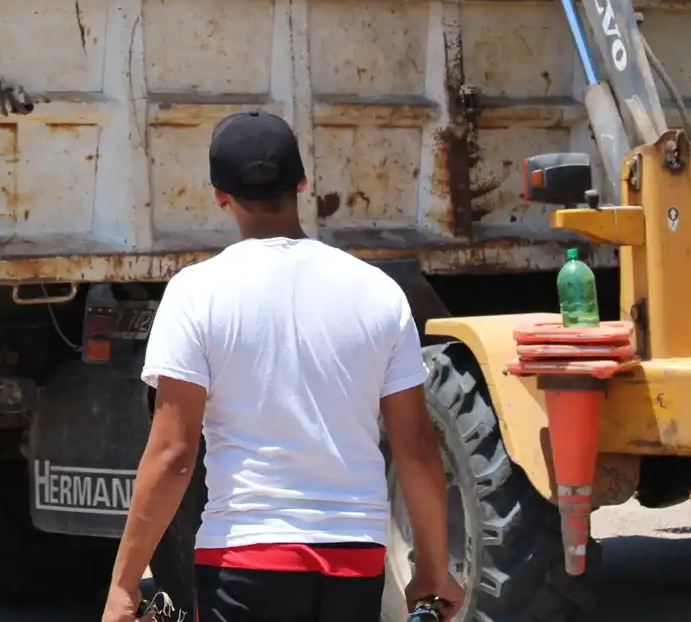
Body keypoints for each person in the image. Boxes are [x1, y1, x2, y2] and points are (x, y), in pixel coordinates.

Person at [103, 110, 464, 622]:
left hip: (245, 555)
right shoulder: (378, 293)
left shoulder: (196, 294)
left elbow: (173, 455)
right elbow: (417, 449)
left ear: (220, 196)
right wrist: (431, 570)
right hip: (354, 558)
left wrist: (122, 585)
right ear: (302, 183)